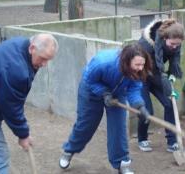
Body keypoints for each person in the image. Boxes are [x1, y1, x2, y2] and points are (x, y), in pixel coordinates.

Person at [0, 33, 58, 173]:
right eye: (43, 58)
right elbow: (11, 108)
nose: (44, 64)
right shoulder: (17, 69)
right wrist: (23, 135)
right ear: (32, 48)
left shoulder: (21, 45)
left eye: (48, 60)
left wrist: (23, 133)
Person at [59, 44, 152, 174]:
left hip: (117, 93)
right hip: (91, 91)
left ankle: (121, 163)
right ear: (126, 61)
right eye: (137, 65)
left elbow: (134, 88)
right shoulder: (102, 62)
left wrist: (139, 106)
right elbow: (89, 80)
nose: (140, 68)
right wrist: (104, 93)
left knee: (118, 127)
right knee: (86, 125)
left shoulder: (138, 71)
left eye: (142, 64)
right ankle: (69, 150)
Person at [137, 18, 185, 152]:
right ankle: (142, 138)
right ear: (164, 38)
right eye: (172, 44)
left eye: (178, 44)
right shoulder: (145, 46)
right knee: (147, 111)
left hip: (157, 75)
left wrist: (172, 76)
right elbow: (147, 71)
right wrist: (167, 86)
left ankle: (172, 141)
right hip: (142, 76)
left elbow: (173, 62)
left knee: (170, 103)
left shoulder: (175, 43)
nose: (175, 47)